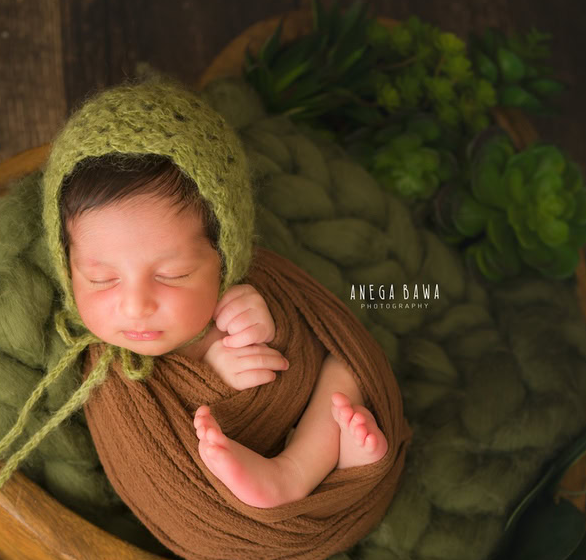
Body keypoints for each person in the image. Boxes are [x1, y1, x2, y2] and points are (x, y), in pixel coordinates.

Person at [59, 152, 389, 509]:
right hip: (218, 490)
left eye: (173, 275)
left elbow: (310, 335)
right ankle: (314, 468)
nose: (136, 306)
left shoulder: (247, 285)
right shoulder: (109, 380)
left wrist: (265, 325)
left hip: (300, 418)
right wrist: (213, 374)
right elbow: (165, 451)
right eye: (102, 280)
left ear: (224, 256)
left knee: (347, 364)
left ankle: (307, 465)